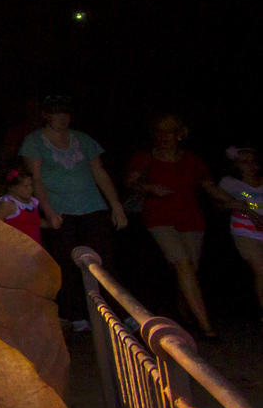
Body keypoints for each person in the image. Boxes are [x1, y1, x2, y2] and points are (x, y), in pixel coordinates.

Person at [22, 96, 128, 332]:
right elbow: (36, 178)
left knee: (104, 260)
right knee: (68, 262)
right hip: (60, 209)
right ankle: (77, 313)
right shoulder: (34, 142)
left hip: (91, 205)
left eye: (65, 113)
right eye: (57, 113)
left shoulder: (82, 139)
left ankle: (118, 312)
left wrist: (116, 205)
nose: (62, 118)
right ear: (46, 115)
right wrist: (48, 211)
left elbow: (99, 172)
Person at [127, 114, 217, 338]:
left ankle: (186, 312)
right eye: (160, 131)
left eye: (170, 131)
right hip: (160, 218)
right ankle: (206, 327)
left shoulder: (193, 160)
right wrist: (148, 187)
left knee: (189, 271)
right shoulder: (145, 157)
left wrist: (248, 207)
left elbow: (215, 190)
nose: (164, 136)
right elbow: (130, 182)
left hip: (191, 219)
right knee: (183, 264)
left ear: (180, 134)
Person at [217, 146, 263, 316]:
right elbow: (218, 205)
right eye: (245, 162)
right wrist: (241, 208)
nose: (250, 165)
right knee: (261, 270)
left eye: (253, 161)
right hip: (245, 232)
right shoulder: (230, 183)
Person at [0, 165, 43, 245]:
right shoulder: (8, 204)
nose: (30, 189)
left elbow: (34, 223)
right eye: (26, 186)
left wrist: (50, 223)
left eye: (31, 185)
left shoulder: (33, 202)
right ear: (12, 188)